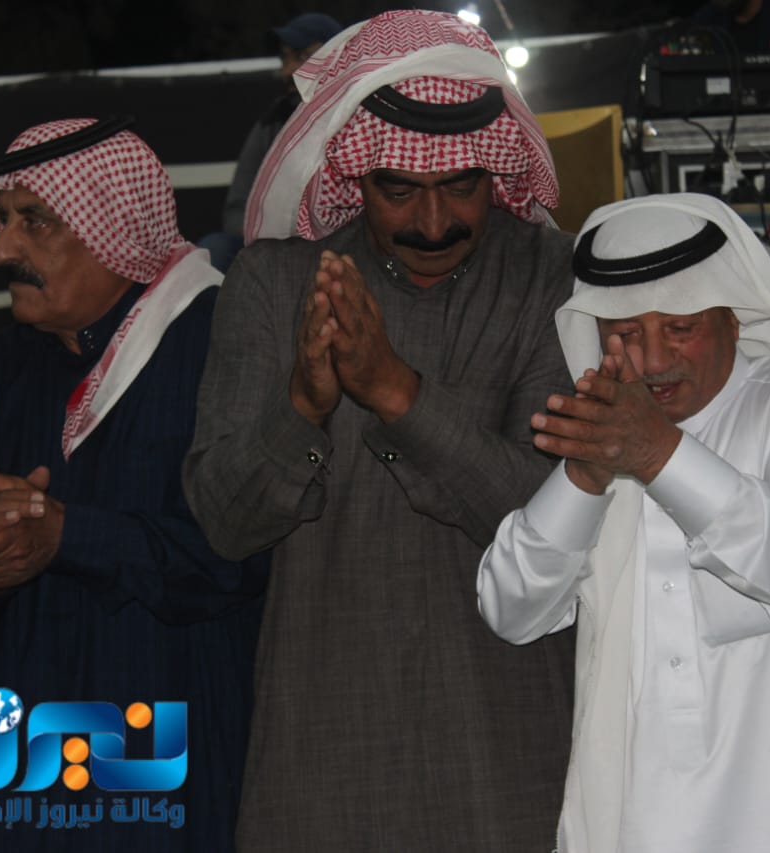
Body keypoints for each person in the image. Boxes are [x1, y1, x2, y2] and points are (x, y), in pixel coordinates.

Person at [183, 10, 576, 852]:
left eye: (462, 186)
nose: (434, 223)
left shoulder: (551, 276)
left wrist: (396, 393)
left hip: (509, 751)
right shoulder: (273, 284)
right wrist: (303, 405)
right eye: (398, 190)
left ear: (497, 166)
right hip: (326, 750)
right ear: (352, 171)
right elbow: (224, 522)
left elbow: (549, 517)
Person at [478, 193, 770, 853]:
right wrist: (587, 477)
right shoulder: (598, 436)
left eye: (680, 327)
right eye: (626, 333)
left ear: (731, 319)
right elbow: (510, 610)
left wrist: (660, 455)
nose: (654, 360)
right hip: (638, 815)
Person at [0, 117, 268, 853]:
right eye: (3, 219)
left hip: (179, 765)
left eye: (35, 222)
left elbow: (246, 556)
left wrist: (68, 536)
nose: (1, 250)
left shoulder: (222, 339)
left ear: (114, 225)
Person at [200, 12, 342, 271]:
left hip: (338, 247)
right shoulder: (272, 122)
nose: (289, 71)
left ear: (337, 58)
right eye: (284, 58)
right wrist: (270, 240)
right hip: (270, 246)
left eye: (302, 57)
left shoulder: (357, 121)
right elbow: (236, 209)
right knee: (215, 249)